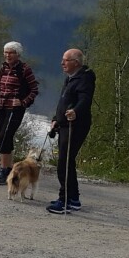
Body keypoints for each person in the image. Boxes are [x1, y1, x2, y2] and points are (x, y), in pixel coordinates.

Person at [47, 48, 94, 214]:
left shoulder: (85, 78)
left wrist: (75, 111)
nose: (62, 63)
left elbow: (85, 100)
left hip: (76, 125)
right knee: (68, 162)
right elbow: (64, 100)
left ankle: (64, 200)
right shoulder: (70, 78)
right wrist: (55, 118)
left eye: (66, 60)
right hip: (64, 124)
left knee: (64, 163)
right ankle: (74, 198)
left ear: (76, 63)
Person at [0, 41, 40, 185]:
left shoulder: (24, 69)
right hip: (2, 106)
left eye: (11, 52)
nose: (7, 55)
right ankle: (7, 168)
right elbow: (0, 83)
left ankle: (4, 170)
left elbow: (34, 89)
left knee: (5, 136)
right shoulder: (3, 67)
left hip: (15, 109)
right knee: (4, 136)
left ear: (18, 54)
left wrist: (23, 102)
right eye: (6, 52)